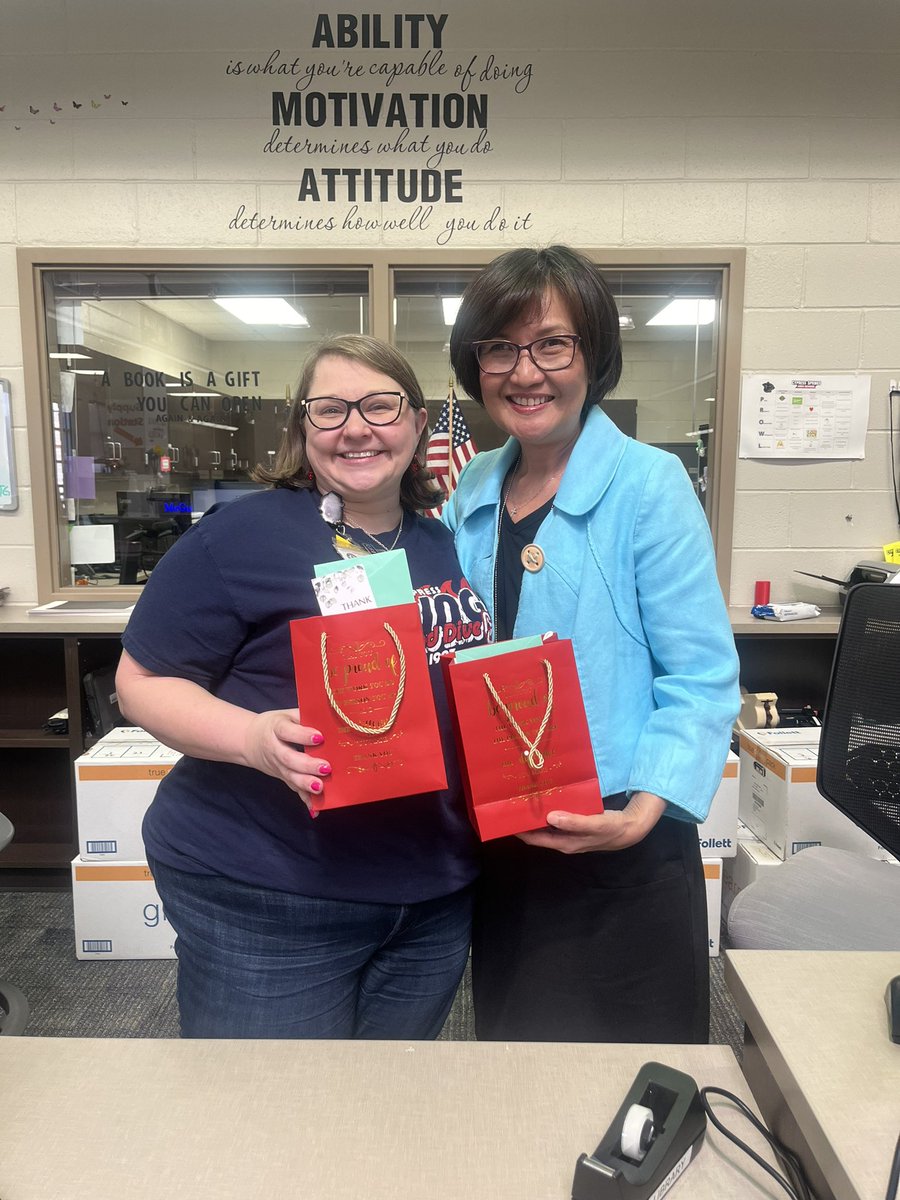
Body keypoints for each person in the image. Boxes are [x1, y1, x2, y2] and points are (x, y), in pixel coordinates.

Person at [116, 334, 491, 1040]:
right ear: (303, 429)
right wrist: (253, 738)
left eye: (381, 406)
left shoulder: (447, 544)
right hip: (269, 887)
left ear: (416, 423)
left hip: (432, 892)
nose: (356, 427)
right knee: (270, 1124)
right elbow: (141, 682)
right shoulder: (239, 537)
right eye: (330, 409)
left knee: (382, 1113)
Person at [444, 246, 740, 1043]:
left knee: (625, 1073)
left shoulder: (650, 483)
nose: (525, 371)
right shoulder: (473, 489)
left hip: (620, 832)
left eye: (551, 344)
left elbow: (703, 673)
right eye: (500, 348)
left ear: (593, 355)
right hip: (503, 825)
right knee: (515, 1051)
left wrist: (645, 811)